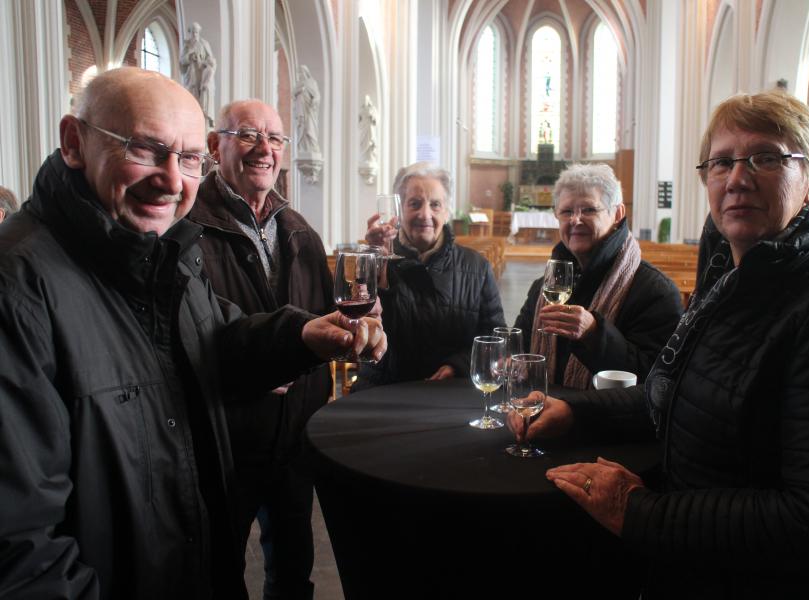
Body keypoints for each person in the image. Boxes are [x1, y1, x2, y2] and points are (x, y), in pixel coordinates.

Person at [0, 67, 385, 600]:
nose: (172, 179)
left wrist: (303, 338)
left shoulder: (163, 252)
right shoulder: (17, 284)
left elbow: (218, 342)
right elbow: (21, 550)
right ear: (73, 142)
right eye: (146, 149)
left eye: (186, 160)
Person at [513, 91, 809, 597]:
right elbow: (683, 394)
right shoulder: (734, 283)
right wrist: (579, 413)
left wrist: (641, 512)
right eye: (721, 162)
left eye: (765, 157)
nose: (737, 178)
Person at [188, 98, 332, 599]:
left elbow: (324, 314)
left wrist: (357, 325)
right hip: (225, 437)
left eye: (274, 138)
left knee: (294, 570)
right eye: (249, 135)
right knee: (218, 571)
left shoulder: (298, 230)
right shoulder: (186, 228)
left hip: (293, 435)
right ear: (214, 146)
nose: (265, 149)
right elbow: (187, 336)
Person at [513, 164, 682, 387]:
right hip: (541, 411)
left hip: (606, 420)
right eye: (566, 211)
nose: (575, 220)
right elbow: (519, 349)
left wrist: (594, 334)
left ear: (618, 214)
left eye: (589, 210)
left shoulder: (656, 291)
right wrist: (510, 361)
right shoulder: (542, 288)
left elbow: (657, 379)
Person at [359, 161, 505, 387]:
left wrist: (458, 366)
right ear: (399, 211)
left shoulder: (477, 267)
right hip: (387, 391)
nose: (424, 214)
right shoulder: (376, 259)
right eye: (414, 204)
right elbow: (359, 329)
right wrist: (374, 263)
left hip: (454, 392)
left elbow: (497, 338)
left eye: (435, 204)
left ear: (447, 212)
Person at [180, 22, 217, 127]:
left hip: (201, 76)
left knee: (202, 104)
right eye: (193, 32)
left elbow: (211, 59)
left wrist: (204, 62)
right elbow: (182, 61)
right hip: (191, 76)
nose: (195, 34)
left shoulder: (204, 43)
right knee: (190, 101)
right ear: (190, 32)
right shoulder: (186, 45)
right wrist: (190, 57)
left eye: (196, 32)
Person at [293, 65, 320, 155]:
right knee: (301, 129)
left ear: (305, 72)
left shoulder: (311, 83)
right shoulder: (298, 85)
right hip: (300, 113)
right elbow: (293, 94)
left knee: (310, 130)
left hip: (309, 112)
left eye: (301, 72)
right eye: (298, 73)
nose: (300, 75)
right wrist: (300, 89)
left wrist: (314, 101)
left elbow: (317, 96)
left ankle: (312, 148)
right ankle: (302, 148)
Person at [359, 95, 377, 164]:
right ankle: (363, 157)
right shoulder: (361, 109)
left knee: (369, 142)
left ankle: (369, 157)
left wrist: (372, 117)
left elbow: (375, 119)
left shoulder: (372, 109)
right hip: (363, 128)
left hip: (369, 128)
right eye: (364, 100)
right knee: (363, 143)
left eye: (366, 99)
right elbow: (358, 119)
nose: (365, 101)